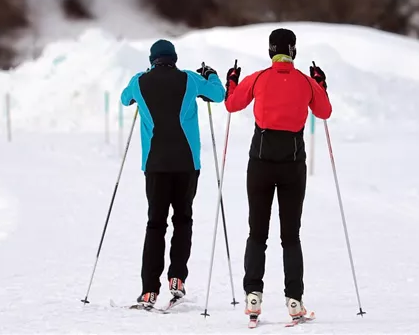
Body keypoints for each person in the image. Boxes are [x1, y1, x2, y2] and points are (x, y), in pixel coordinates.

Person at [223, 28, 331, 320]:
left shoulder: (258, 78)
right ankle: (294, 300)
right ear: (293, 51)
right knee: (290, 236)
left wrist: (231, 82)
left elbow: (232, 104)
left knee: (257, 232)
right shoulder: (306, 83)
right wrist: (321, 83)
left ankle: (253, 296)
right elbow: (324, 111)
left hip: (260, 162)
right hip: (293, 164)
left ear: (271, 51)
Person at [121, 39, 226, 309]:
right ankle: (177, 277)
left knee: (155, 224)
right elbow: (218, 94)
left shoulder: (140, 82)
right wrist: (210, 74)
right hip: (187, 164)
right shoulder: (190, 80)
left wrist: (138, 77)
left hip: (155, 165)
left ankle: (148, 291)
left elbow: (124, 99)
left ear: (152, 59)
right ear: (175, 58)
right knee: (183, 220)